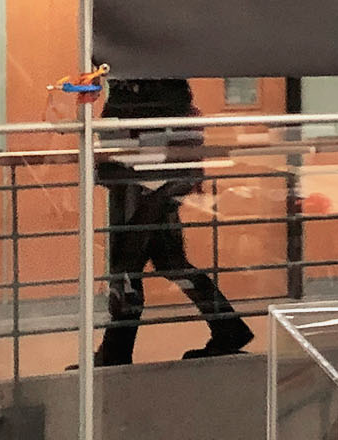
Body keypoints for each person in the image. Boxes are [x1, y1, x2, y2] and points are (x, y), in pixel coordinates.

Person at [94, 76, 252, 365]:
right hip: (154, 184)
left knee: (129, 268)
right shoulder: (161, 78)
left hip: (141, 185)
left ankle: (115, 352)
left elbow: (127, 130)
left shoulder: (140, 81)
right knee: (167, 264)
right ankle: (229, 328)